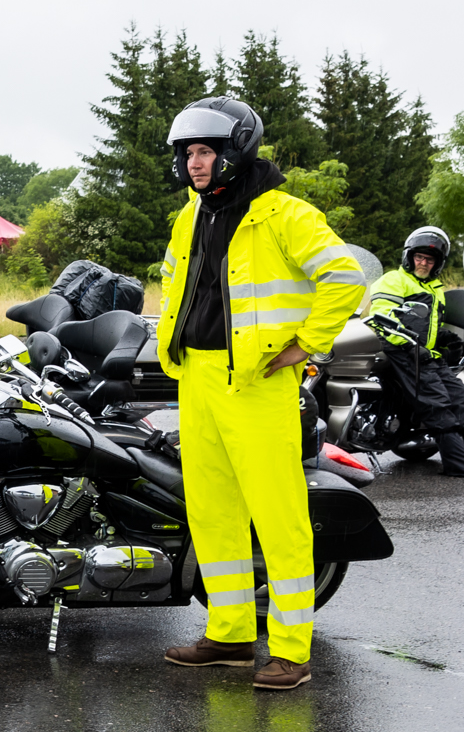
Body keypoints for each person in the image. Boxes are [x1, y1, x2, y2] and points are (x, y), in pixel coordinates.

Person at [155, 98, 365, 692]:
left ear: (235, 151)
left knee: (278, 516)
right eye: (188, 153)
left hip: (257, 381)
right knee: (213, 511)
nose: (194, 163)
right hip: (197, 376)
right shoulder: (191, 214)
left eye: (205, 152)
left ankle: (292, 651)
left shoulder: (284, 214)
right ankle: (230, 635)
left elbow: (345, 277)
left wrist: (306, 345)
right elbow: (173, 279)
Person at [365, 226, 464, 478]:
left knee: (462, 399)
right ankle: (456, 461)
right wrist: (411, 346)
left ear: (437, 264)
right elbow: (383, 318)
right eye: (419, 257)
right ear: (409, 257)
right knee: (437, 403)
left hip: (427, 355)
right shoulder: (394, 280)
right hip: (402, 352)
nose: (424, 263)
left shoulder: (435, 289)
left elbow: (427, 324)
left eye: (430, 260)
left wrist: (447, 338)